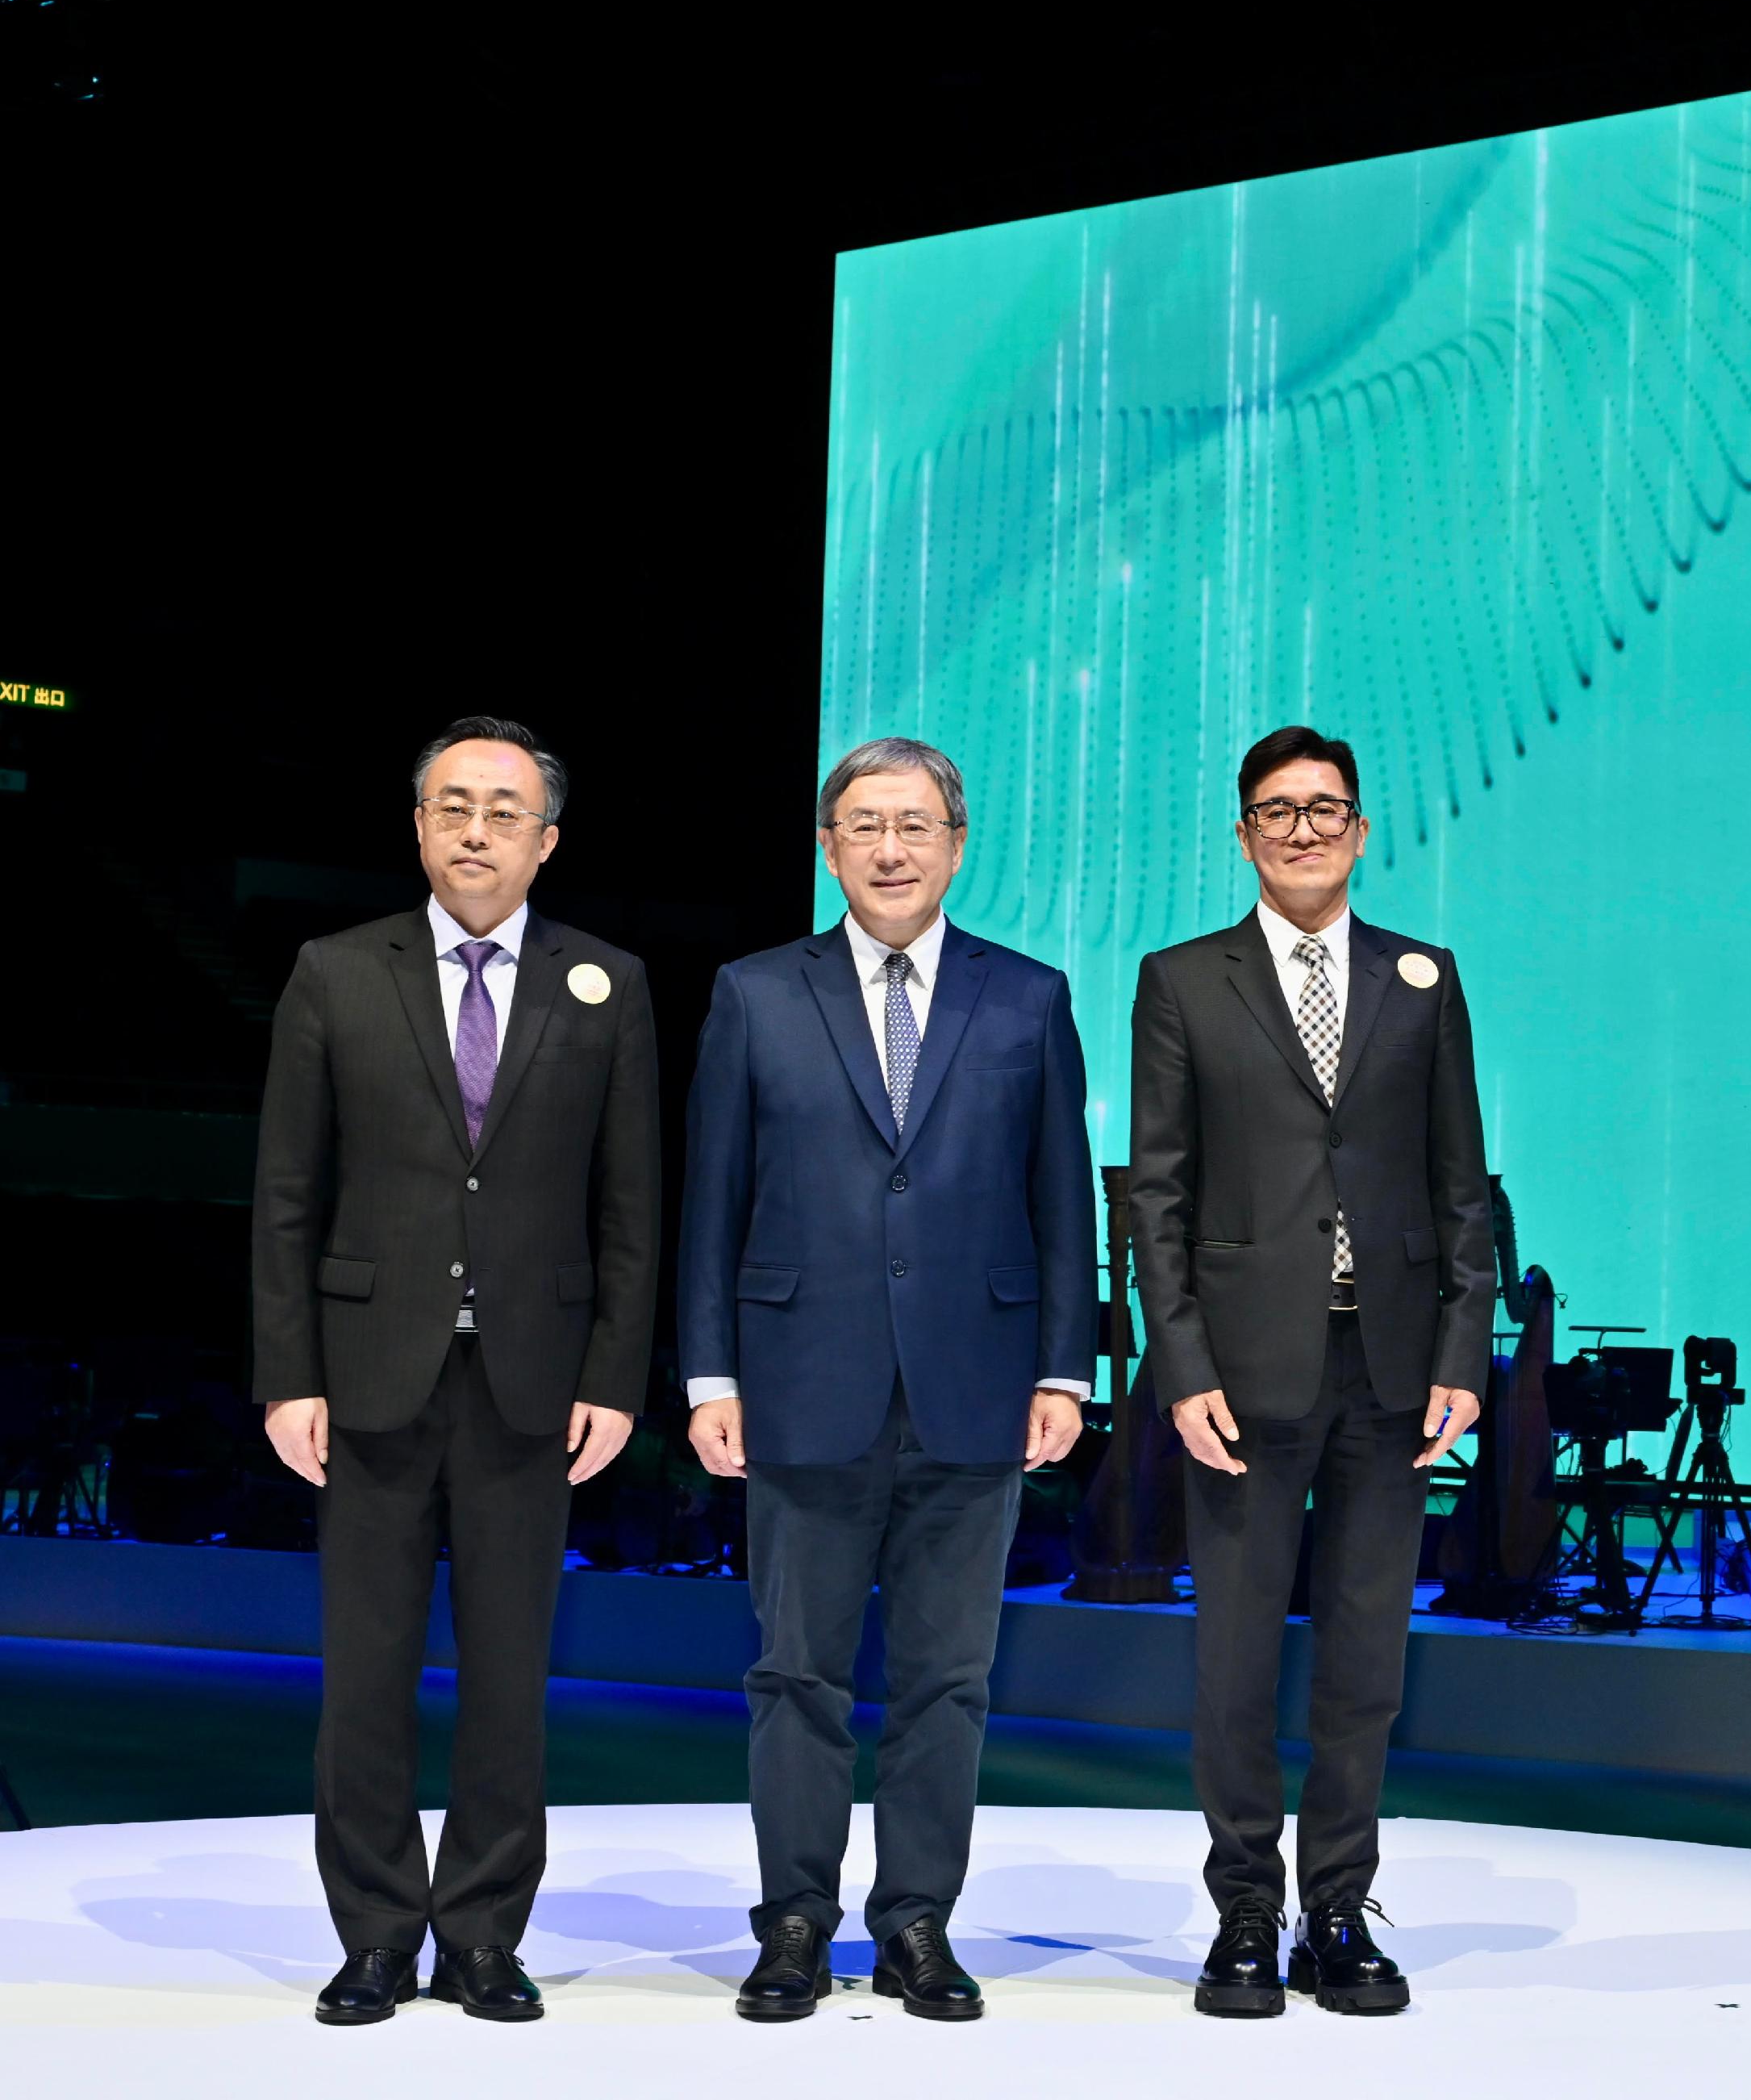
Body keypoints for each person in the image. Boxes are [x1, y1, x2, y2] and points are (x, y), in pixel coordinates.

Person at [677, 736, 1093, 2023]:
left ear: (957, 844)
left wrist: (1066, 1367)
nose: (892, 847)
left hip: (976, 1387)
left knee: (948, 1679)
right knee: (796, 1673)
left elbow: (1062, 1203)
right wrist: (708, 1372)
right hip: (802, 1382)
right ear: (829, 843)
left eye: (915, 825)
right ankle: (794, 1920)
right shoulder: (755, 991)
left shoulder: (1027, 995)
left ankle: (917, 1921)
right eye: (866, 824)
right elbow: (714, 1199)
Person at [252, 716, 659, 2024]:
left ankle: (483, 1928)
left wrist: (615, 1374)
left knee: (507, 1677)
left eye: (504, 809)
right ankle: (374, 1929)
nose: (476, 829)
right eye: (452, 805)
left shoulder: (609, 983)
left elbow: (630, 1202)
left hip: (534, 1384)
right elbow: (286, 1193)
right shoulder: (334, 971)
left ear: (547, 839)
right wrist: (286, 1372)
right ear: (418, 826)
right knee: (363, 1672)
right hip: (367, 1375)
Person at [1129, 725, 1493, 2019]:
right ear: (1242, 833)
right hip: (1240, 1371)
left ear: (1360, 827)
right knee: (1232, 1659)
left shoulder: (1423, 977)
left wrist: (1465, 1353)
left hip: (1391, 1373)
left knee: (1364, 1659)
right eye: (1275, 810)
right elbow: (1157, 1195)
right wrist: (1178, 1368)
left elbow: (1464, 1193)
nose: (1300, 828)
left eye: (1324, 807)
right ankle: (1243, 1911)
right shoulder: (1182, 980)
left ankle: (1337, 1909)